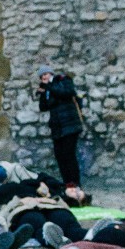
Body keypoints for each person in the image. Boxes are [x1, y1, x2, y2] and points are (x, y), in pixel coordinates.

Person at [37, 65, 84, 201]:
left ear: (51, 73)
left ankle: (75, 183)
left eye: (45, 74)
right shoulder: (48, 89)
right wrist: (42, 94)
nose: (44, 77)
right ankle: (67, 184)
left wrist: (49, 87)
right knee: (60, 156)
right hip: (58, 128)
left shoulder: (62, 80)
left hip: (70, 125)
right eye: (41, 76)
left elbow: (66, 93)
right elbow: (43, 107)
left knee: (69, 155)